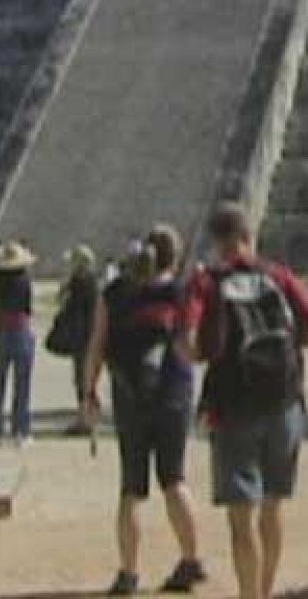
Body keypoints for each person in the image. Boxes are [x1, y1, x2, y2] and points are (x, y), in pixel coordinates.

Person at [181, 202, 308, 599]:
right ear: (249, 235)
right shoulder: (279, 275)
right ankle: (265, 589)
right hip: (284, 404)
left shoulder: (207, 282)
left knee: (241, 518)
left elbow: (190, 345)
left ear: (216, 241)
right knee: (273, 505)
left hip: (234, 407)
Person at [83, 227, 206, 595]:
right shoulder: (180, 293)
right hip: (173, 393)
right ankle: (190, 560)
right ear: (174, 257)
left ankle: (129, 573)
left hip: (130, 394)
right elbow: (190, 344)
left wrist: (89, 391)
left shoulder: (115, 293)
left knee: (132, 488)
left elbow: (96, 346)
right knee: (174, 479)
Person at [0, 241, 37, 446]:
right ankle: (21, 430)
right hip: (20, 329)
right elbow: (27, 307)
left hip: (0, 329)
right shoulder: (24, 280)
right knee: (22, 384)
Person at [50, 244, 101, 437]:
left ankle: (84, 418)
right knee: (87, 377)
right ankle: (88, 415)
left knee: (81, 378)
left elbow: (62, 301)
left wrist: (65, 282)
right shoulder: (93, 282)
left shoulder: (78, 282)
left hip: (81, 336)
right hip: (90, 334)